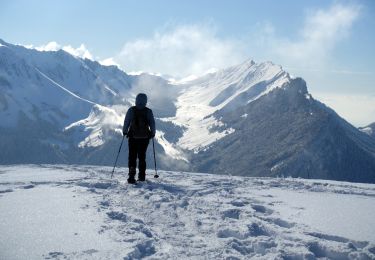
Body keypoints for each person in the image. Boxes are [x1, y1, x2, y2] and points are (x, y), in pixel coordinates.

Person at [123, 93, 156, 184]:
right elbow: (152, 124)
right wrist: (152, 133)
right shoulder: (148, 111)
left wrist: (125, 131)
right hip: (145, 138)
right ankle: (141, 176)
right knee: (142, 156)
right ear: (145, 101)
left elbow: (127, 121)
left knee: (132, 156)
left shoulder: (131, 110)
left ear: (136, 100)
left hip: (133, 137)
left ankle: (131, 175)